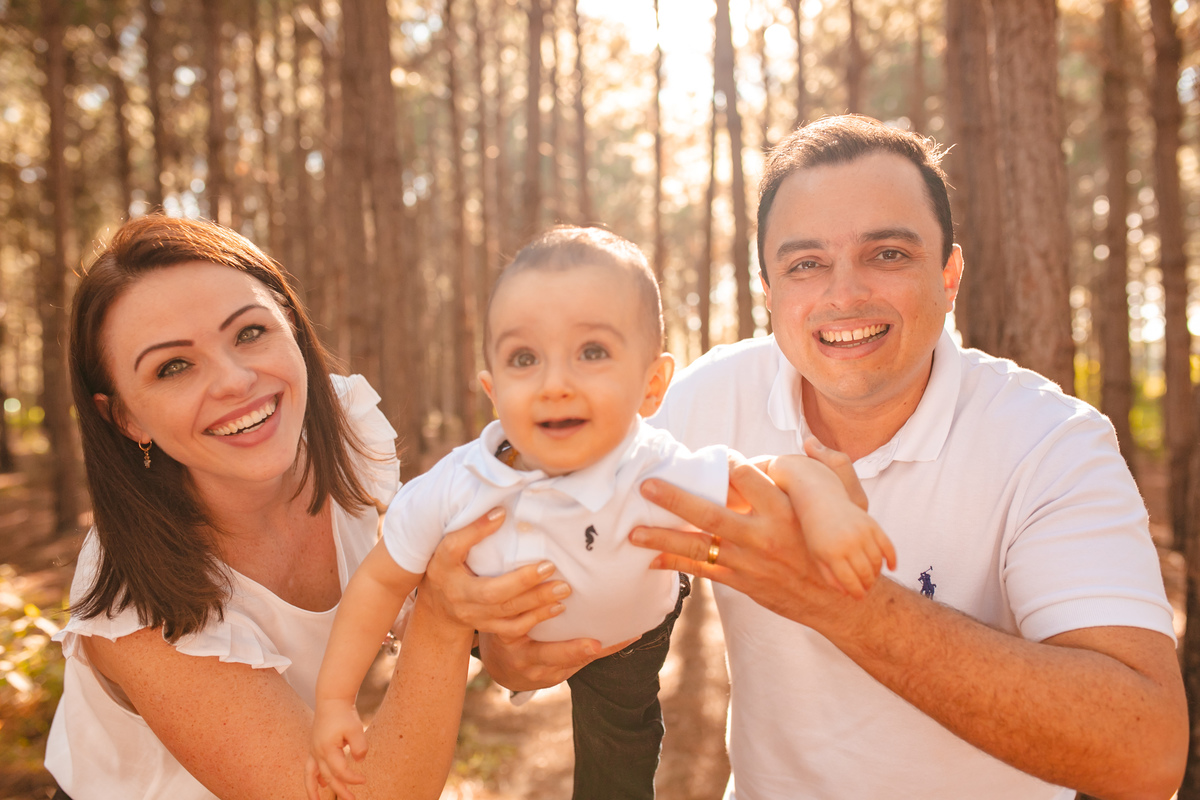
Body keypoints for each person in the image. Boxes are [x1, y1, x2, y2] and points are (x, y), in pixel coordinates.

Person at [482, 116, 1189, 799]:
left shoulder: (1052, 444)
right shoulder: (709, 398)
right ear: (768, 291)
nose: (844, 294)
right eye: (806, 264)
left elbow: (1148, 756)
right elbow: (561, 521)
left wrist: (846, 606)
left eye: (888, 254)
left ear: (949, 275)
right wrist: (514, 646)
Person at [308, 226, 895, 800]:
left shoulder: (652, 466)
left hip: (626, 634)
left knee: (619, 755)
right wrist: (335, 699)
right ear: (493, 390)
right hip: (506, 623)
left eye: (592, 352)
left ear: (652, 385)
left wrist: (830, 510)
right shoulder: (456, 486)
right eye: (524, 358)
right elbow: (380, 581)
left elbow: (773, 471)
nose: (555, 383)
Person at [45, 215, 568, 800]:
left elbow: (404, 586)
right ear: (124, 416)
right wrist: (443, 622)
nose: (235, 380)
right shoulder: (131, 604)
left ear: (290, 325)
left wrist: (501, 642)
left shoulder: (342, 430)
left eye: (249, 332)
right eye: (173, 366)